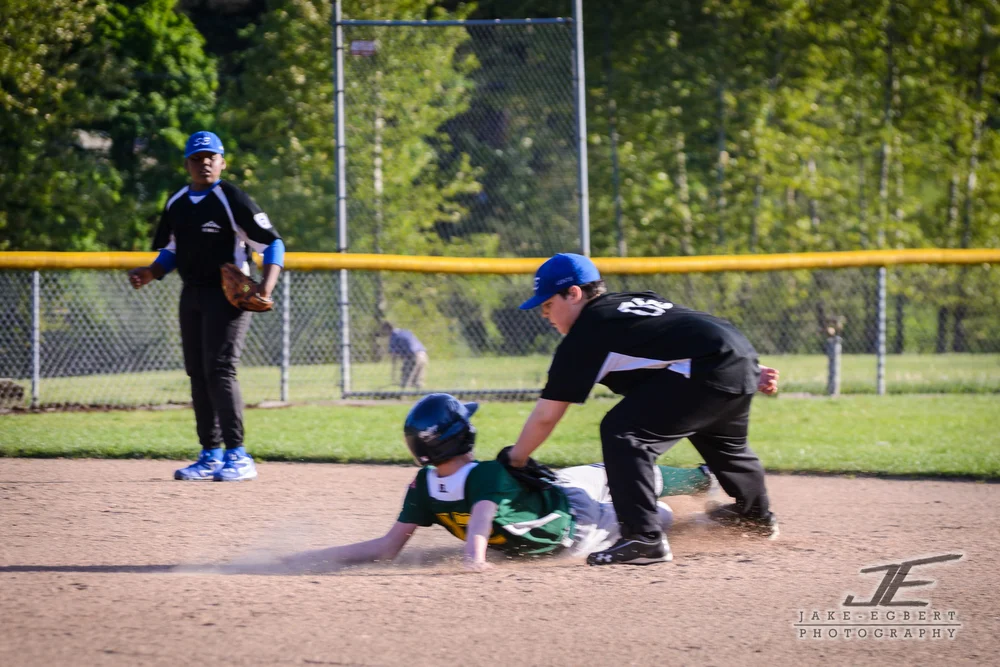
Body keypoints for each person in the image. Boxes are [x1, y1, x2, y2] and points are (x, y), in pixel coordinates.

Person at [507, 253, 780, 566]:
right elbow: (683, 327)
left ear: (574, 293)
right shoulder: (630, 301)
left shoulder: (587, 332)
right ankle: (756, 516)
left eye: (547, 304)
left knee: (624, 432)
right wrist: (747, 366)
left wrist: (516, 459)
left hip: (707, 366)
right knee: (727, 446)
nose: (545, 314)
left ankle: (643, 539)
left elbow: (546, 416)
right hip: (733, 355)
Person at [241, 393, 714, 573]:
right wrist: (474, 561)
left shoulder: (423, 485)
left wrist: (304, 558)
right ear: (461, 435)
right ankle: (700, 481)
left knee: (592, 477)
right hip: (576, 526)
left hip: (548, 527)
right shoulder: (487, 473)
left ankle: (689, 492)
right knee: (621, 478)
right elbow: (481, 527)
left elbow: (386, 547)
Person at [127, 131, 284, 482]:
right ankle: (210, 454)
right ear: (187, 165)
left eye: (211, 156)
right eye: (197, 158)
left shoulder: (232, 198)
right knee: (197, 373)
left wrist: (266, 286)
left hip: (228, 296)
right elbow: (172, 249)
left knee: (220, 369)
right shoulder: (178, 202)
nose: (205, 162)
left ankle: (238, 455)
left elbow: (273, 243)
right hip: (192, 293)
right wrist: (151, 272)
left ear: (223, 162)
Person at [381, 321, 429, 389]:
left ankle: (403, 395)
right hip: (423, 354)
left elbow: (393, 354)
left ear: (387, 329)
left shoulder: (393, 336)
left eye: (383, 330)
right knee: (419, 380)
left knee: (406, 379)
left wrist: (393, 373)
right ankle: (417, 394)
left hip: (412, 356)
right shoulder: (406, 331)